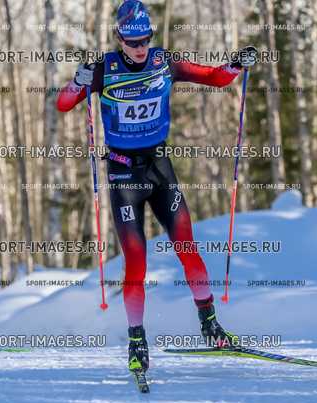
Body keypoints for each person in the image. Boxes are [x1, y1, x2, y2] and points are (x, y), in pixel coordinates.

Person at [56, 0, 257, 374]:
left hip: (160, 170)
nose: (140, 48)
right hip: (123, 176)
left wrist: (236, 65)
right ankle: (136, 340)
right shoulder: (103, 69)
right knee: (136, 262)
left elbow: (215, 77)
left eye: (145, 40)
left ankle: (210, 324)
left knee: (187, 247)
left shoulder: (165, 62)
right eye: (133, 42)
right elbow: (64, 104)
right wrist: (77, 82)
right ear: (120, 39)